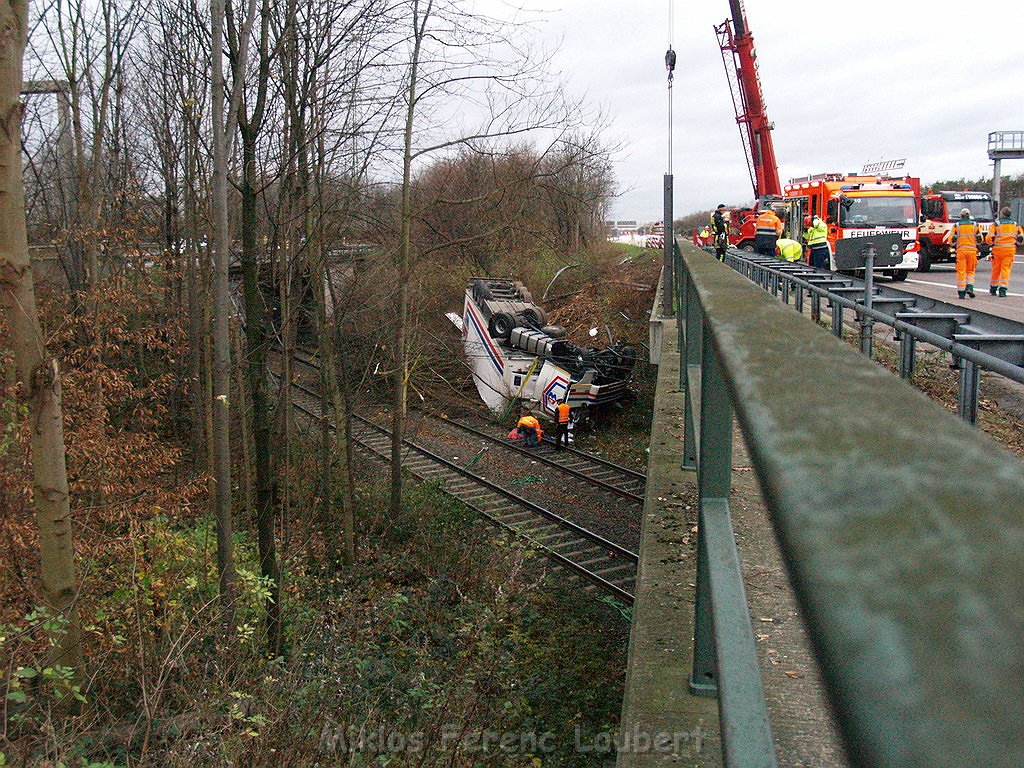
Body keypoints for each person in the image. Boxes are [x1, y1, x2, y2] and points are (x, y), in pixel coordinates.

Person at [986, 207, 1024, 297]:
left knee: (996, 269)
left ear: (1002, 214)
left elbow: (989, 238)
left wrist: (991, 244)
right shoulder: (1015, 225)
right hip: (1010, 250)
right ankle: (1003, 289)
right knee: (1006, 269)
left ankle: (993, 288)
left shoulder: (996, 224)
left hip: (998, 250)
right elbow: (1021, 238)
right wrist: (1015, 243)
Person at [947, 207, 981, 299]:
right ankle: (970, 287)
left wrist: (955, 243)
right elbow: (980, 239)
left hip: (961, 251)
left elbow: (951, 240)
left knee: (961, 272)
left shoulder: (957, 226)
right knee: (970, 271)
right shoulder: (975, 225)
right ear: (969, 216)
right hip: (972, 251)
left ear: (961, 216)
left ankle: (961, 293)